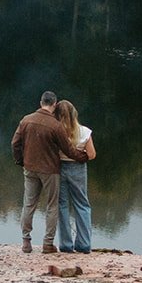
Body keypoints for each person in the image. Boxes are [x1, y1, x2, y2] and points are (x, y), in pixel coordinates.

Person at [10, 90, 88, 254]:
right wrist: (83, 157)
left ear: (41, 103)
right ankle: (47, 244)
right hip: (50, 171)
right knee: (52, 206)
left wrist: (20, 161)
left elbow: (15, 143)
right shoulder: (56, 125)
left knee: (29, 204)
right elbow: (68, 150)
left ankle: (26, 242)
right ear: (54, 104)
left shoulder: (26, 120)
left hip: (30, 168)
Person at [54, 100, 95, 253]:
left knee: (62, 206)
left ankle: (65, 244)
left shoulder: (55, 132)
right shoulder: (84, 131)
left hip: (60, 168)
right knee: (82, 205)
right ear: (74, 114)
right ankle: (84, 244)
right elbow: (91, 155)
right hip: (78, 169)